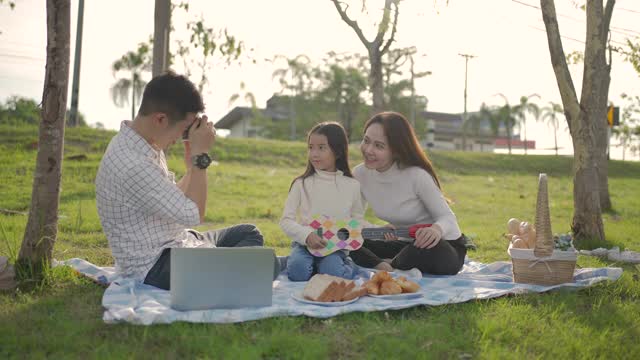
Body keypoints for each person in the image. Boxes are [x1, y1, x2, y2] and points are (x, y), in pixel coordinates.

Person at [95, 71, 279, 290]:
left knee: (249, 233)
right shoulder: (133, 164)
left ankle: (234, 267)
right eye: (184, 129)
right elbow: (194, 214)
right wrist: (200, 157)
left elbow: (174, 197)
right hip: (157, 266)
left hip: (178, 242)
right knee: (268, 263)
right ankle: (250, 267)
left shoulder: (142, 145)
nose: (181, 138)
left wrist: (192, 166)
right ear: (160, 119)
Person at [349, 112, 468, 275]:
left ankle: (386, 264)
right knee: (347, 240)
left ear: (396, 150)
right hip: (401, 241)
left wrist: (435, 230)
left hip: (441, 245)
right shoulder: (360, 174)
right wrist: (379, 231)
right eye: (366, 141)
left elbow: (448, 219)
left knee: (427, 250)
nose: (368, 150)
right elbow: (354, 219)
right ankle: (386, 265)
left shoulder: (416, 175)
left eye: (379, 146)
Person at [280, 122, 364, 281]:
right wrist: (306, 235)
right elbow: (286, 221)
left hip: (334, 248)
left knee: (332, 273)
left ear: (338, 151)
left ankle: (347, 266)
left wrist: (381, 230)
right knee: (298, 272)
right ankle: (304, 264)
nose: (314, 154)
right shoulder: (301, 183)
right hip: (304, 244)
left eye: (321, 147)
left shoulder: (352, 186)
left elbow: (357, 221)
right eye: (311, 147)